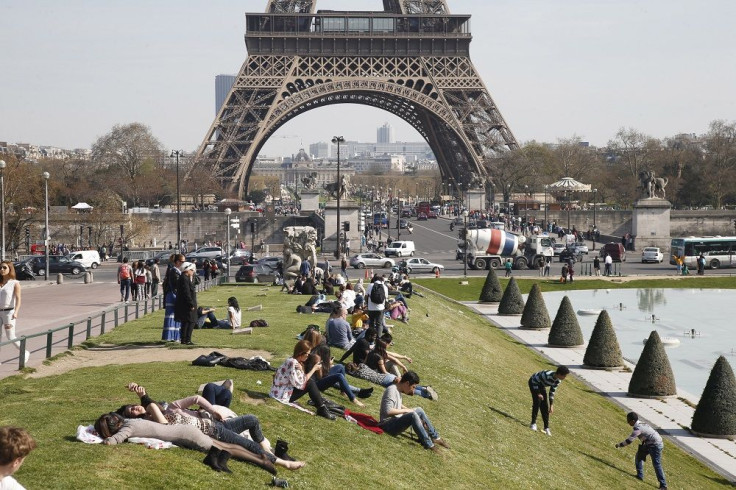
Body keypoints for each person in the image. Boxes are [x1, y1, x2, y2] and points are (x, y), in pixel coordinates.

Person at [378, 371, 449, 452]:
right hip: (387, 426)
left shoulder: (398, 389)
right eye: (413, 387)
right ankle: (429, 444)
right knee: (412, 415)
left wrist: (409, 409)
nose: (413, 390)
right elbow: (388, 411)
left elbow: (398, 404)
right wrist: (406, 411)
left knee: (419, 410)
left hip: (394, 421)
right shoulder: (392, 390)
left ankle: (436, 437)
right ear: (407, 383)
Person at [270, 340, 338, 420]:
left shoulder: (292, 360)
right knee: (310, 383)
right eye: (307, 354)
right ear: (301, 353)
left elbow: (300, 378)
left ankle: (322, 408)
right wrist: (314, 369)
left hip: (278, 391)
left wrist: (302, 370)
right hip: (281, 395)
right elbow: (301, 382)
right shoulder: (293, 363)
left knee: (310, 382)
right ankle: (322, 409)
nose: (308, 356)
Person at [615, 411, 667, 489]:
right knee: (639, 456)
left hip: (656, 445)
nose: (628, 423)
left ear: (632, 421)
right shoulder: (642, 423)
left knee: (656, 464)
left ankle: (663, 485)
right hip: (650, 443)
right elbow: (645, 436)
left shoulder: (638, 428)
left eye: (628, 421)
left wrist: (619, 445)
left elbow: (629, 441)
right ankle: (640, 476)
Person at [0, 261, 30, 364]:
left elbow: (18, 299)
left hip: (9, 313)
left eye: (4, 268)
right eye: (0, 268)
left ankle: (25, 352)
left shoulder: (14, 283)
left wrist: (16, 312)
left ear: (10, 269)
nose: (2, 270)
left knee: (10, 337)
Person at [528, 365, 569, 436]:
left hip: (541, 385)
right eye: (564, 376)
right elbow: (534, 381)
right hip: (533, 382)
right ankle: (533, 424)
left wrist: (551, 405)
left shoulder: (558, 380)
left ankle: (546, 428)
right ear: (559, 374)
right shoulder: (546, 375)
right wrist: (538, 393)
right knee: (537, 402)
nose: (565, 378)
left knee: (544, 406)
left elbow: (552, 392)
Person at [162, 254, 185, 342]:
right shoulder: (174, 271)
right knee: (171, 316)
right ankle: (170, 336)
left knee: (176, 315)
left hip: (174, 295)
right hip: (172, 295)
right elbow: (176, 284)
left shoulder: (176, 270)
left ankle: (175, 336)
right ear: (178, 262)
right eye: (182, 261)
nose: (184, 263)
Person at [175, 262, 198, 345]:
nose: (193, 272)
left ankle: (184, 339)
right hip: (187, 303)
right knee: (191, 321)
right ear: (187, 270)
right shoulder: (184, 278)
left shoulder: (185, 277)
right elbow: (186, 292)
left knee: (186, 321)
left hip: (185, 303)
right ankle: (187, 339)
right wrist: (191, 304)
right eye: (191, 270)